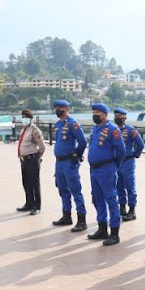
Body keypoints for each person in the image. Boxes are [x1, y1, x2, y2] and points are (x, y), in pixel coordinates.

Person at [86, 103, 125, 245]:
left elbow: (121, 150)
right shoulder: (95, 129)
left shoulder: (112, 129)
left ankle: (114, 232)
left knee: (111, 200)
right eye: (94, 112)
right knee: (97, 199)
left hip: (107, 169)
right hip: (94, 169)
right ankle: (102, 228)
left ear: (105, 115)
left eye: (98, 113)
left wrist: (115, 165)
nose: (95, 115)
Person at [52, 99, 88, 232]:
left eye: (60, 108)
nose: (57, 110)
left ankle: (82, 219)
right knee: (62, 189)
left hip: (69, 162)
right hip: (59, 162)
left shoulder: (73, 124)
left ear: (67, 109)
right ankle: (66, 215)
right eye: (56, 108)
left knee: (75, 189)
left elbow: (83, 141)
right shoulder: (58, 124)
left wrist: (77, 155)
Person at [114, 107, 144, 221]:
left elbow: (140, 145)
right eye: (116, 116)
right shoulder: (114, 130)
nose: (118, 118)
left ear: (125, 117)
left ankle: (132, 210)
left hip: (128, 162)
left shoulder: (131, 130)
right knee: (119, 186)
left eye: (120, 116)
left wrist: (134, 155)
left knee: (130, 186)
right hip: (117, 163)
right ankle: (122, 208)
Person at [16, 109, 45, 215]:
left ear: (30, 118)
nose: (23, 119)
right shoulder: (24, 129)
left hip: (32, 159)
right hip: (23, 160)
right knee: (26, 182)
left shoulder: (34, 130)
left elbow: (42, 146)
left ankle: (36, 206)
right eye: (22, 117)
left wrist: (37, 157)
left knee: (34, 184)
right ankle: (29, 203)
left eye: (25, 117)